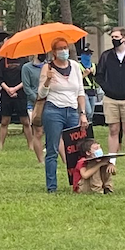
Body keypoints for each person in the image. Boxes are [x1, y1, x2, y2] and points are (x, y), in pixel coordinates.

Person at [35, 39, 89, 193]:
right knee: (52, 149)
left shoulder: (74, 66)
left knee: (75, 149)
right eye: (60, 49)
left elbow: (80, 91)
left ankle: (77, 183)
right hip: (54, 110)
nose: (64, 51)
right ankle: (52, 186)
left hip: (72, 110)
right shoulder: (48, 67)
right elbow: (41, 93)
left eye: (65, 48)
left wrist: (82, 113)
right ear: (54, 52)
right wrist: (48, 80)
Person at [93, 28, 125, 165]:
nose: (114, 39)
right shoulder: (106, 56)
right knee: (113, 129)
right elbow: (99, 76)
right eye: (112, 37)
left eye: (116, 36)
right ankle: (112, 157)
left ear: (124, 38)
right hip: (110, 98)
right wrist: (107, 88)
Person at [58, 115, 115, 193]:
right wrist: (99, 164)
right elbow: (84, 175)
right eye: (96, 149)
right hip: (82, 186)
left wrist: (110, 165)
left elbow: (113, 172)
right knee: (94, 164)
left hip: (91, 183)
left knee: (104, 163)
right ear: (88, 152)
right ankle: (97, 190)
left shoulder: (101, 159)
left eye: (99, 147)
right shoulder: (82, 161)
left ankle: (108, 188)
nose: (99, 150)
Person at [0, 46, 29, 152]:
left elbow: (26, 78)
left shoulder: (24, 61)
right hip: (6, 95)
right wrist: (8, 89)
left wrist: (16, 89)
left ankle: (31, 145)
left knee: (25, 121)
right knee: (4, 121)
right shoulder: (2, 61)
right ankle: (1, 145)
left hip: (21, 94)